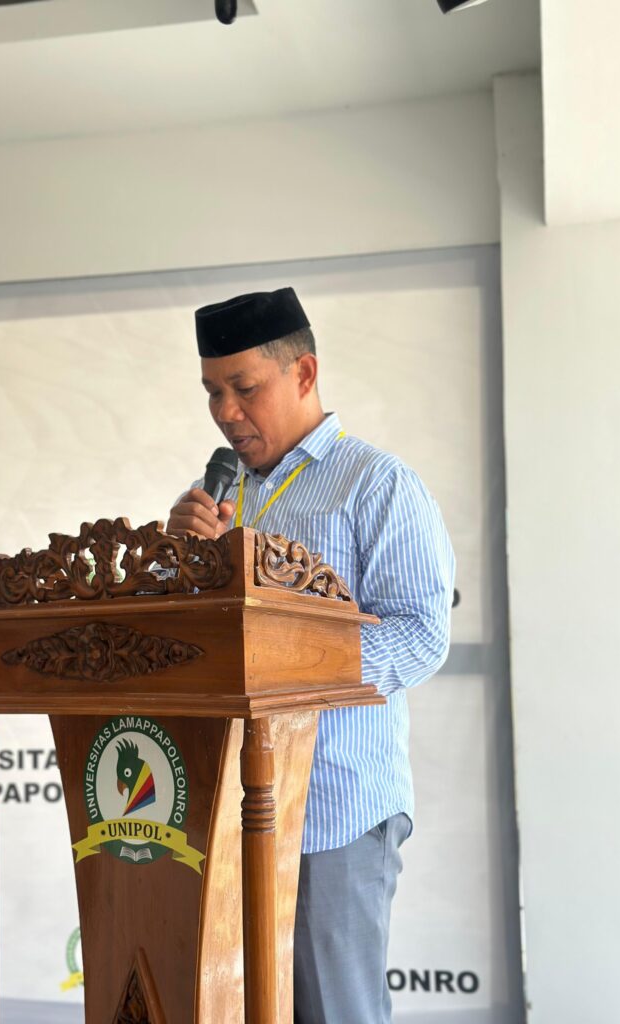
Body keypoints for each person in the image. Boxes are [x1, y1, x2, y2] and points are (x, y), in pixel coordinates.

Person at [167, 286, 455, 1024]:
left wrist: (290, 671)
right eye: (212, 392)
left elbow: (420, 633)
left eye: (244, 388)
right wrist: (178, 561)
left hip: (334, 811)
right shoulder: (217, 497)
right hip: (228, 810)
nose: (226, 411)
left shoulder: (377, 484)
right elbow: (192, 643)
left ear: (303, 373)